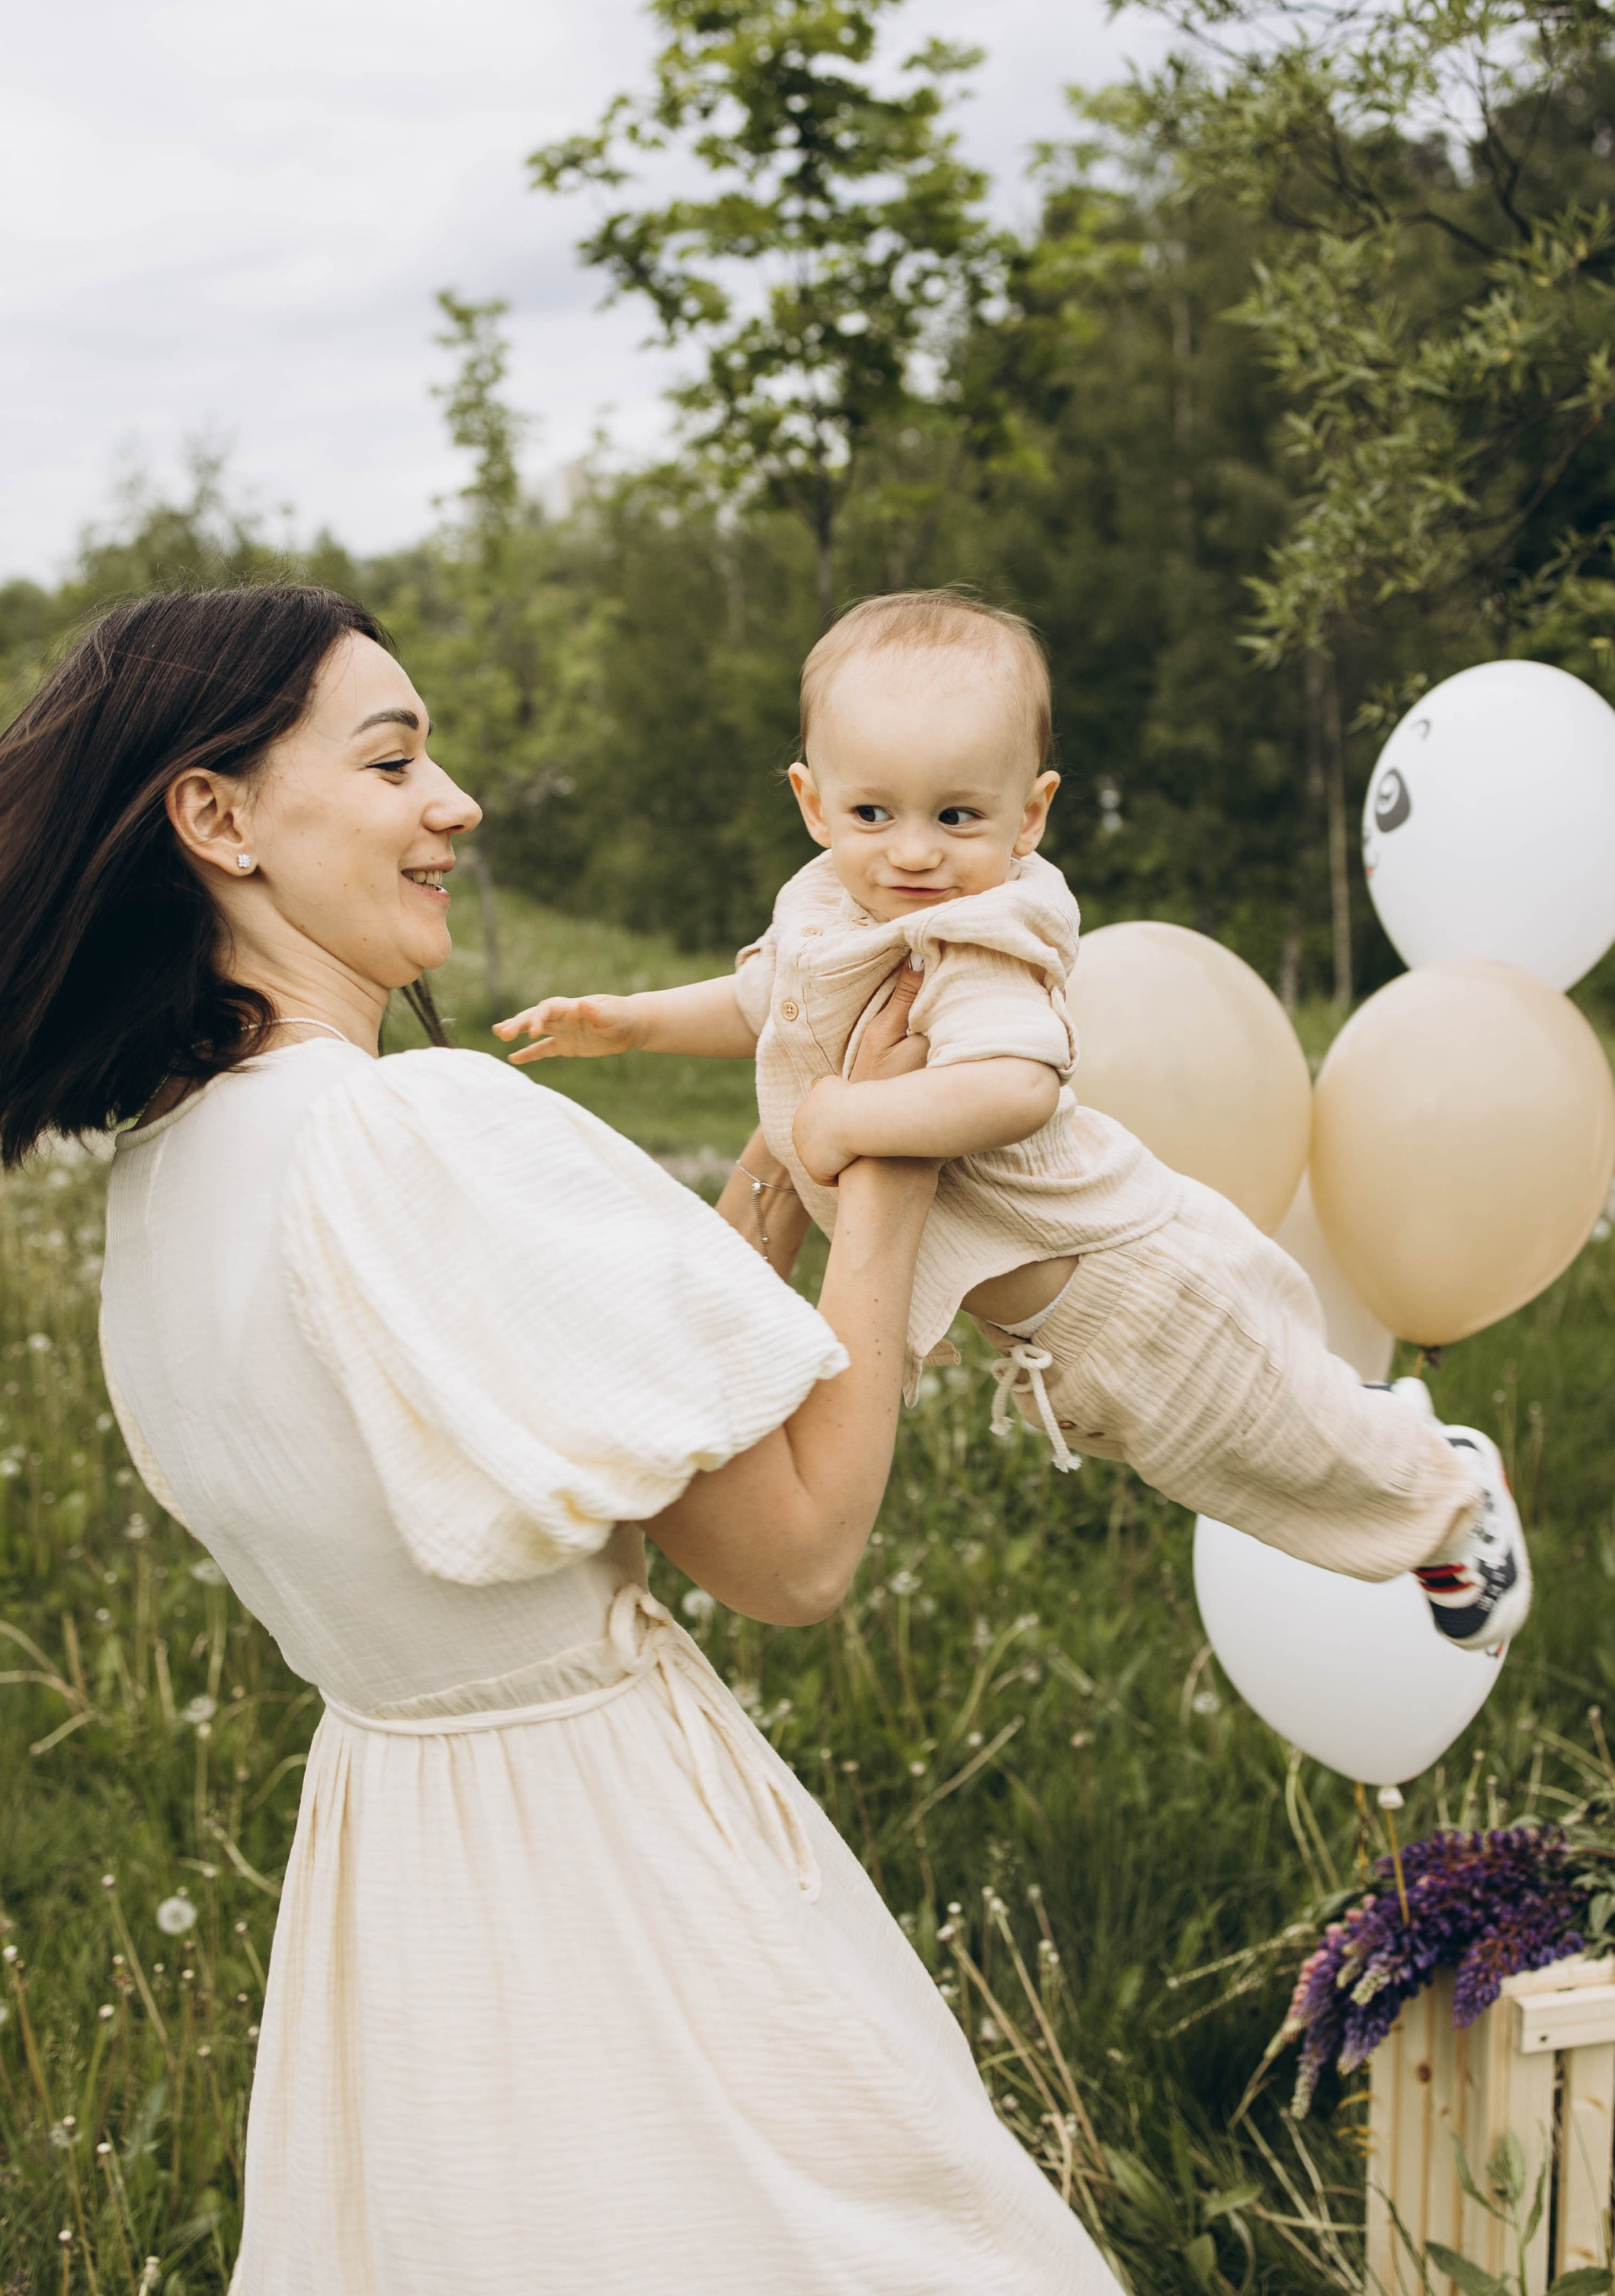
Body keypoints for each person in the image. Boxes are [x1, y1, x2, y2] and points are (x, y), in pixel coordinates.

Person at [0, 585, 1213, 2296]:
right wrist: (887, 1153)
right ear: (217, 821)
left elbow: (560, 1377)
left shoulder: (174, 1180)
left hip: (406, 1893)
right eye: (390, 761)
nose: (451, 802)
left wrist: (772, 1175)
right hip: (621, 1872)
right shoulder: (413, 1130)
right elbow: (790, 1552)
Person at [500, 588, 1530, 1650]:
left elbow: (1009, 1088)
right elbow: (765, 1005)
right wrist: (629, 1023)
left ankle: (1449, 1499)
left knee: (1271, 1444)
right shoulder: (831, 913)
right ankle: (1380, 1425)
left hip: (1132, 1288)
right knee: (1241, 1457)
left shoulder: (979, 944)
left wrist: (848, 1115)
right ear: (813, 803)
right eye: (873, 814)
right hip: (1059, 1329)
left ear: (1028, 815)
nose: (913, 853)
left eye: (956, 817)